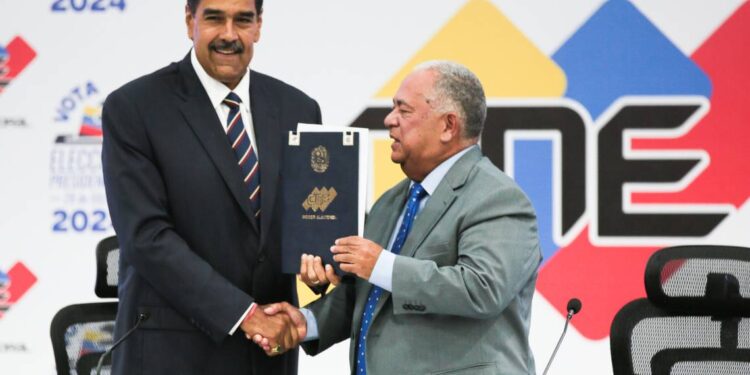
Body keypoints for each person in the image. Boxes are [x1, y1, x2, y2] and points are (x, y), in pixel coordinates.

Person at [265, 61, 542, 374]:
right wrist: (307, 323)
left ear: (449, 126)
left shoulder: (497, 198)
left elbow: (482, 288)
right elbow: (371, 294)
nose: (389, 120)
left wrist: (382, 264)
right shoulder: (390, 202)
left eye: (403, 110)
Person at [101, 0, 320, 373]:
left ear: (258, 26)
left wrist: (322, 266)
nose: (229, 35)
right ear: (190, 22)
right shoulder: (135, 107)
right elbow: (146, 237)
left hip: (268, 355)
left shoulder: (299, 109)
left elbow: (312, 216)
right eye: (215, 19)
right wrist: (244, 314)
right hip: (172, 355)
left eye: (243, 20)